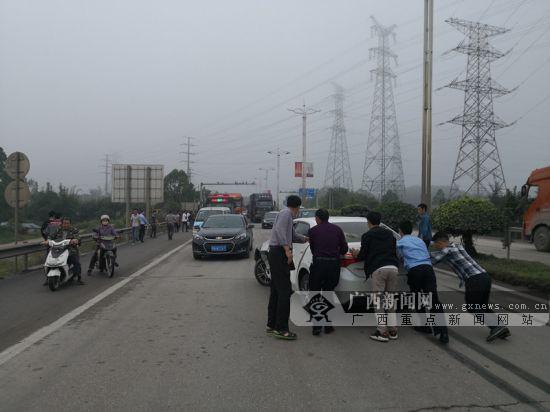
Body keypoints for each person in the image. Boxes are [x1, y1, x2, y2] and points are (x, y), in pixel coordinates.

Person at [431, 232, 511, 342]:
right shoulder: (458, 246)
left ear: (440, 242)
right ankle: (501, 327)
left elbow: (432, 260)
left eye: (436, 244)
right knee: (483, 306)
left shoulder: (447, 250)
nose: (436, 247)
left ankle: (497, 327)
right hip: (485, 276)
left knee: (472, 307)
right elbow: (438, 255)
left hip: (474, 280)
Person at [397, 221, 448, 344]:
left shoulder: (400, 242)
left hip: (415, 271)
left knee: (418, 298)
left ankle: (424, 326)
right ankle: (443, 332)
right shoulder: (420, 241)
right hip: (428, 269)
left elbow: (398, 257)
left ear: (400, 231)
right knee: (433, 299)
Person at [353, 211, 399, 342]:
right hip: (393, 268)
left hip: (379, 269)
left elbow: (363, 255)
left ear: (368, 222)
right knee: (390, 300)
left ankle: (382, 332)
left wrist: (355, 253)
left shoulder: (367, 235)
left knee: (378, 301)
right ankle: (393, 330)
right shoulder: (389, 234)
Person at [267, 195, 308, 340]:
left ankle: (271, 324)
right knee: (285, 291)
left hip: (277, 252)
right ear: (297, 207)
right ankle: (281, 328)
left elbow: (291, 235)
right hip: (279, 253)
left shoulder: (287, 215)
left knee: (277, 290)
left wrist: (305, 238)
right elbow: (279, 231)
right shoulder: (286, 213)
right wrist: (287, 250)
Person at [307, 208, 348, 336]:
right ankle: (328, 325)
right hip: (333, 265)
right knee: (328, 293)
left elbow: (313, 249)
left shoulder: (313, 231)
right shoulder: (337, 230)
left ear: (318, 218)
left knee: (315, 293)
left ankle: (317, 326)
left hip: (319, 264)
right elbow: (344, 249)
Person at [59, 217, 84, 285]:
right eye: (64, 223)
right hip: (59, 250)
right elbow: (51, 236)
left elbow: (78, 237)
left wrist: (76, 240)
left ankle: (79, 278)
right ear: (62, 223)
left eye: (67, 223)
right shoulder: (58, 230)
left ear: (70, 224)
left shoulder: (74, 230)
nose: (65, 225)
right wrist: (47, 240)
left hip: (71, 250)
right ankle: (49, 278)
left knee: (76, 263)